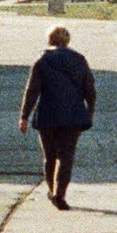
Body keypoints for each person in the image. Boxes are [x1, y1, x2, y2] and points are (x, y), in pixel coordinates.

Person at [18, 25, 96, 209]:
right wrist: (89, 111)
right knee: (66, 156)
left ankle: (52, 190)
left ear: (50, 39)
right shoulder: (79, 59)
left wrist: (24, 116)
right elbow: (90, 89)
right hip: (73, 115)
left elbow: (32, 91)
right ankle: (59, 194)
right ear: (67, 40)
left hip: (47, 114)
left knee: (50, 156)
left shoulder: (42, 60)